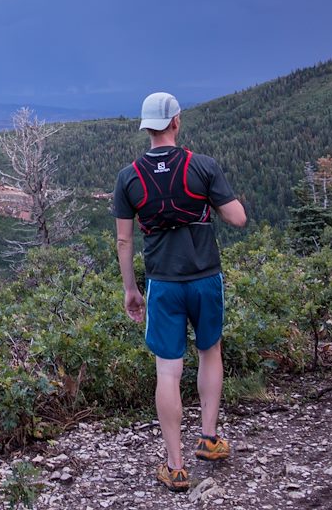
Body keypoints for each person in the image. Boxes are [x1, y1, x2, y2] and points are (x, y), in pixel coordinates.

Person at [113, 92, 247, 492]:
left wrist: (131, 290)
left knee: (167, 370)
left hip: (163, 284)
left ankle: (175, 466)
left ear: (146, 127)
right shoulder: (202, 167)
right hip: (205, 277)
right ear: (176, 122)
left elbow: (124, 241)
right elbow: (238, 218)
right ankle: (209, 439)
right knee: (210, 352)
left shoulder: (129, 177)